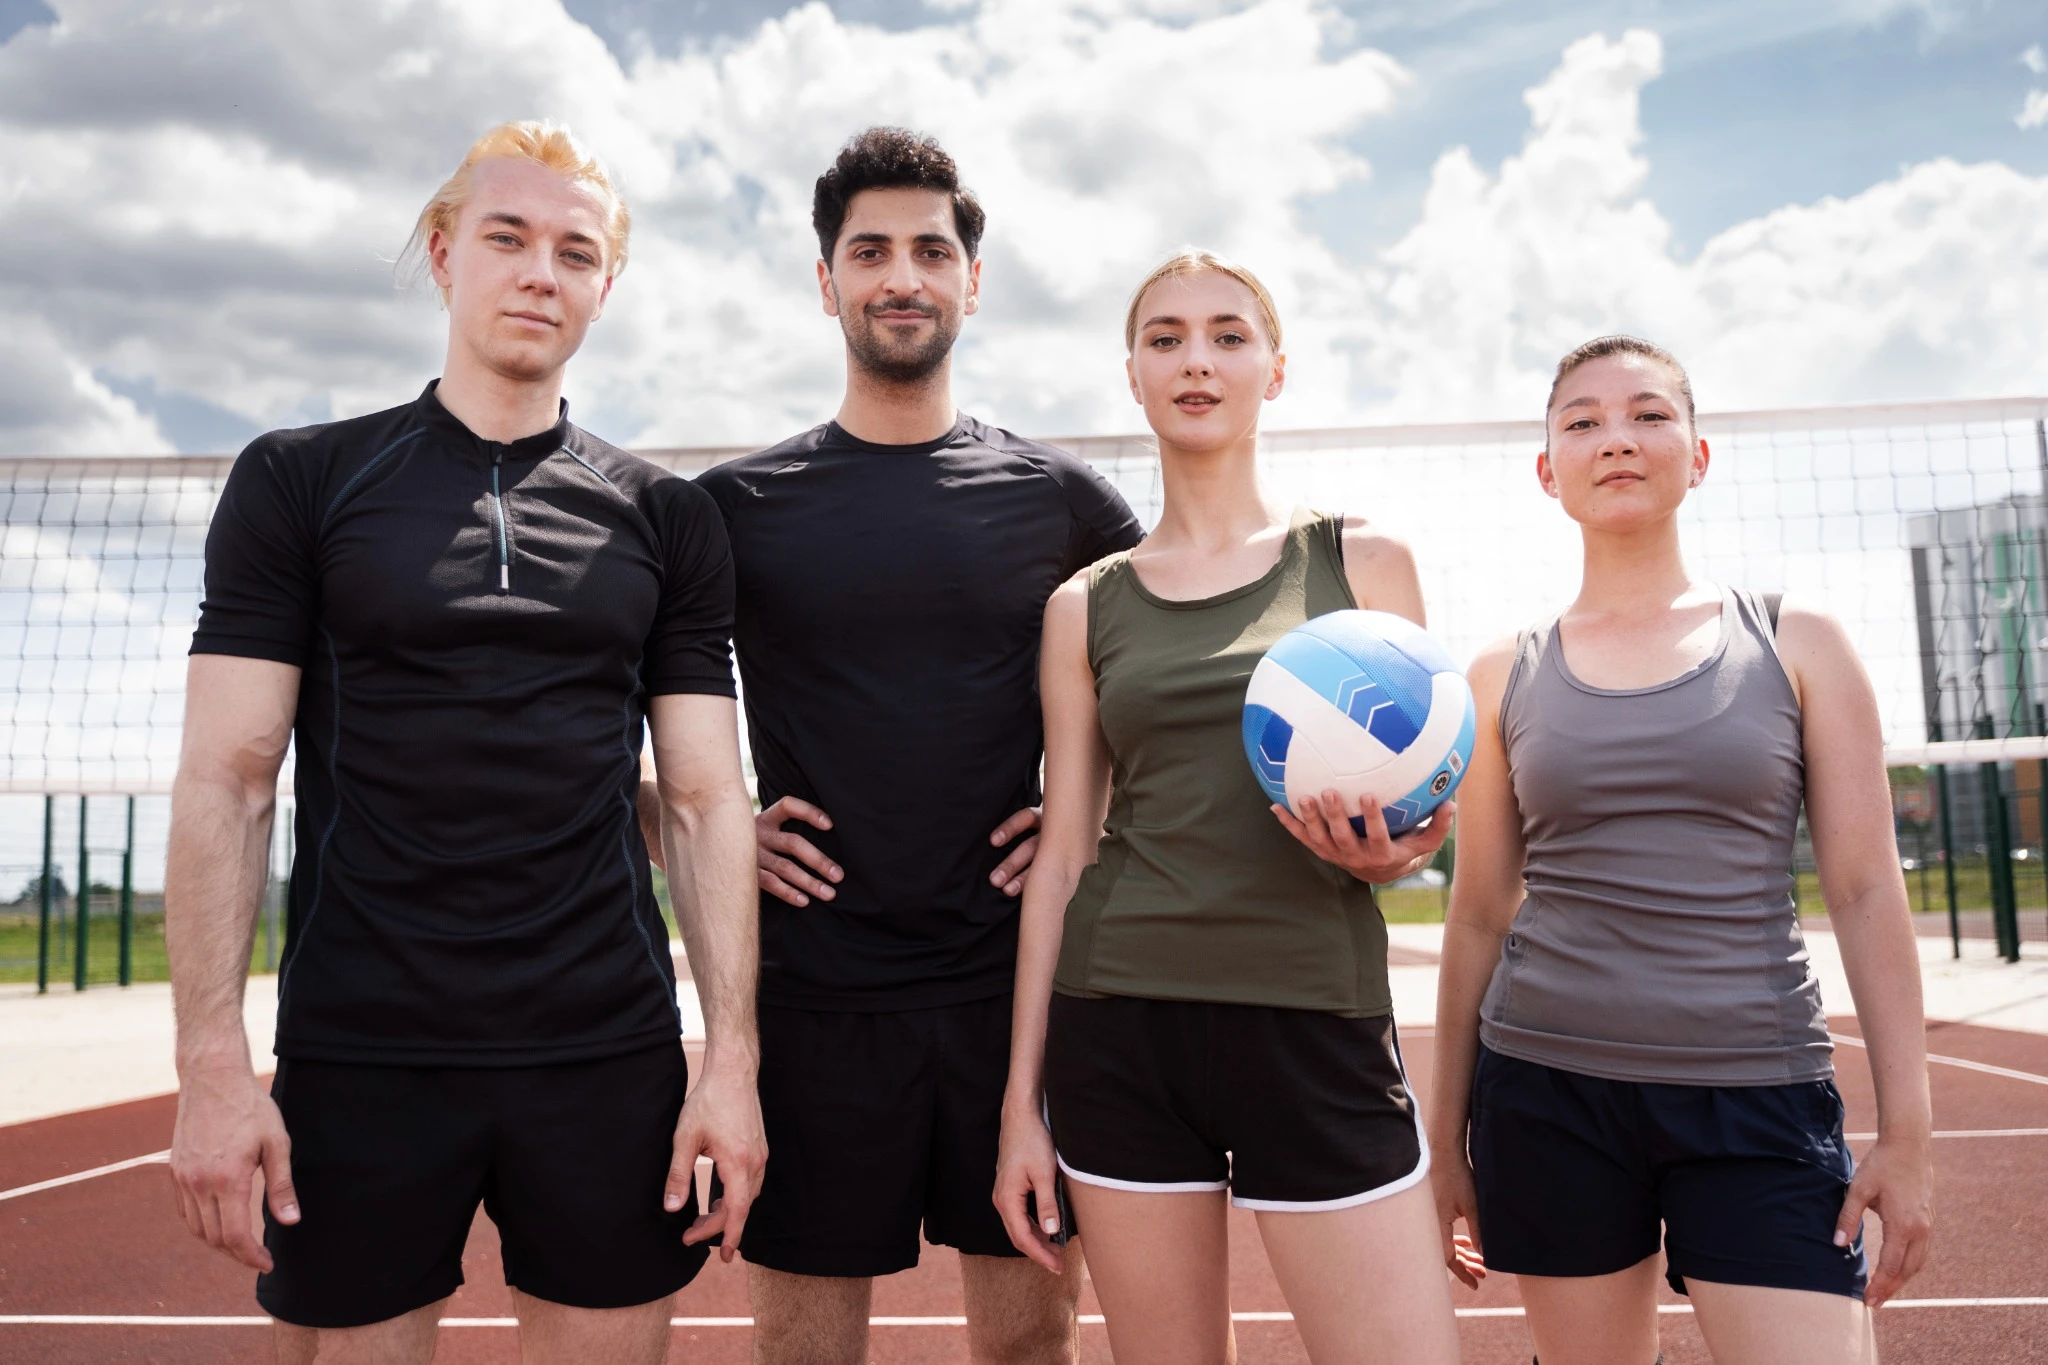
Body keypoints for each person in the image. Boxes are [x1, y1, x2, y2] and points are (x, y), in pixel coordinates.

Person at [165, 121, 766, 1365]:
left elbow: (708, 802)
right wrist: (211, 1070)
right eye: (508, 238)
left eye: (576, 252)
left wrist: (730, 1068)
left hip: (603, 1044)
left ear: (606, 287)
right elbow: (228, 781)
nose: (540, 271)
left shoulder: (668, 516)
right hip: (363, 1045)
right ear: (444, 253)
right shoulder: (299, 480)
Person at [682, 128, 1142, 1365]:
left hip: (1021, 997)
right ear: (822, 278)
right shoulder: (731, 510)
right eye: (868, 250)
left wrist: (1095, 817)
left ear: (971, 280)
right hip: (811, 1002)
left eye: (930, 250)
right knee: (806, 1353)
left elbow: (1167, 709)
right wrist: (688, 813)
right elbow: (587, 706)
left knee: (1027, 1348)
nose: (902, 275)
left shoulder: (1063, 503)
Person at [994, 250, 1466, 1365]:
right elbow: (1061, 860)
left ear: (1274, 369)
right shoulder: (1084, 606)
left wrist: (1392, 857)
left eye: (1225, 335)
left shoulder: (1363, 563)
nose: (1194, 359)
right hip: (1120, 1024)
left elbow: (1421, 828)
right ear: (1133, 375)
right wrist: (1022, 1103)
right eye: (1164, 338)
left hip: (1310, 1015)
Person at [1429, 335, 1936, 1365]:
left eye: (1648, 414)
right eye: (1581, 421)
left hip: (1754, 1091)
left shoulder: (1799, 641)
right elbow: (1478, 909)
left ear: (1695, 455)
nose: (1615, 437)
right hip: (1546, 1086)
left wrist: (1909, 1133)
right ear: (1547, 471)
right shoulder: (1496, 672)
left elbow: (1864, 887)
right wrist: (1442, 1143)